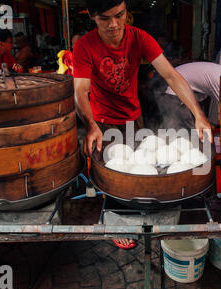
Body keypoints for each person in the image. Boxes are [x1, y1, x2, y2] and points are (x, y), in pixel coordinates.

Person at [73, 0, 212, 249]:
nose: (114, 24)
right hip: (102, 122)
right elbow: (80, 90)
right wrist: (91, 125)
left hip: (133, 118)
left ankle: (140, 219)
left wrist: (199, 114)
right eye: (105, 18)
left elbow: (171, 74)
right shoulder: (85, 46)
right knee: (111, 176)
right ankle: (115, 222)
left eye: (120, 15)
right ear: (93, 17)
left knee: (136, 170)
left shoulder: (139, 38)